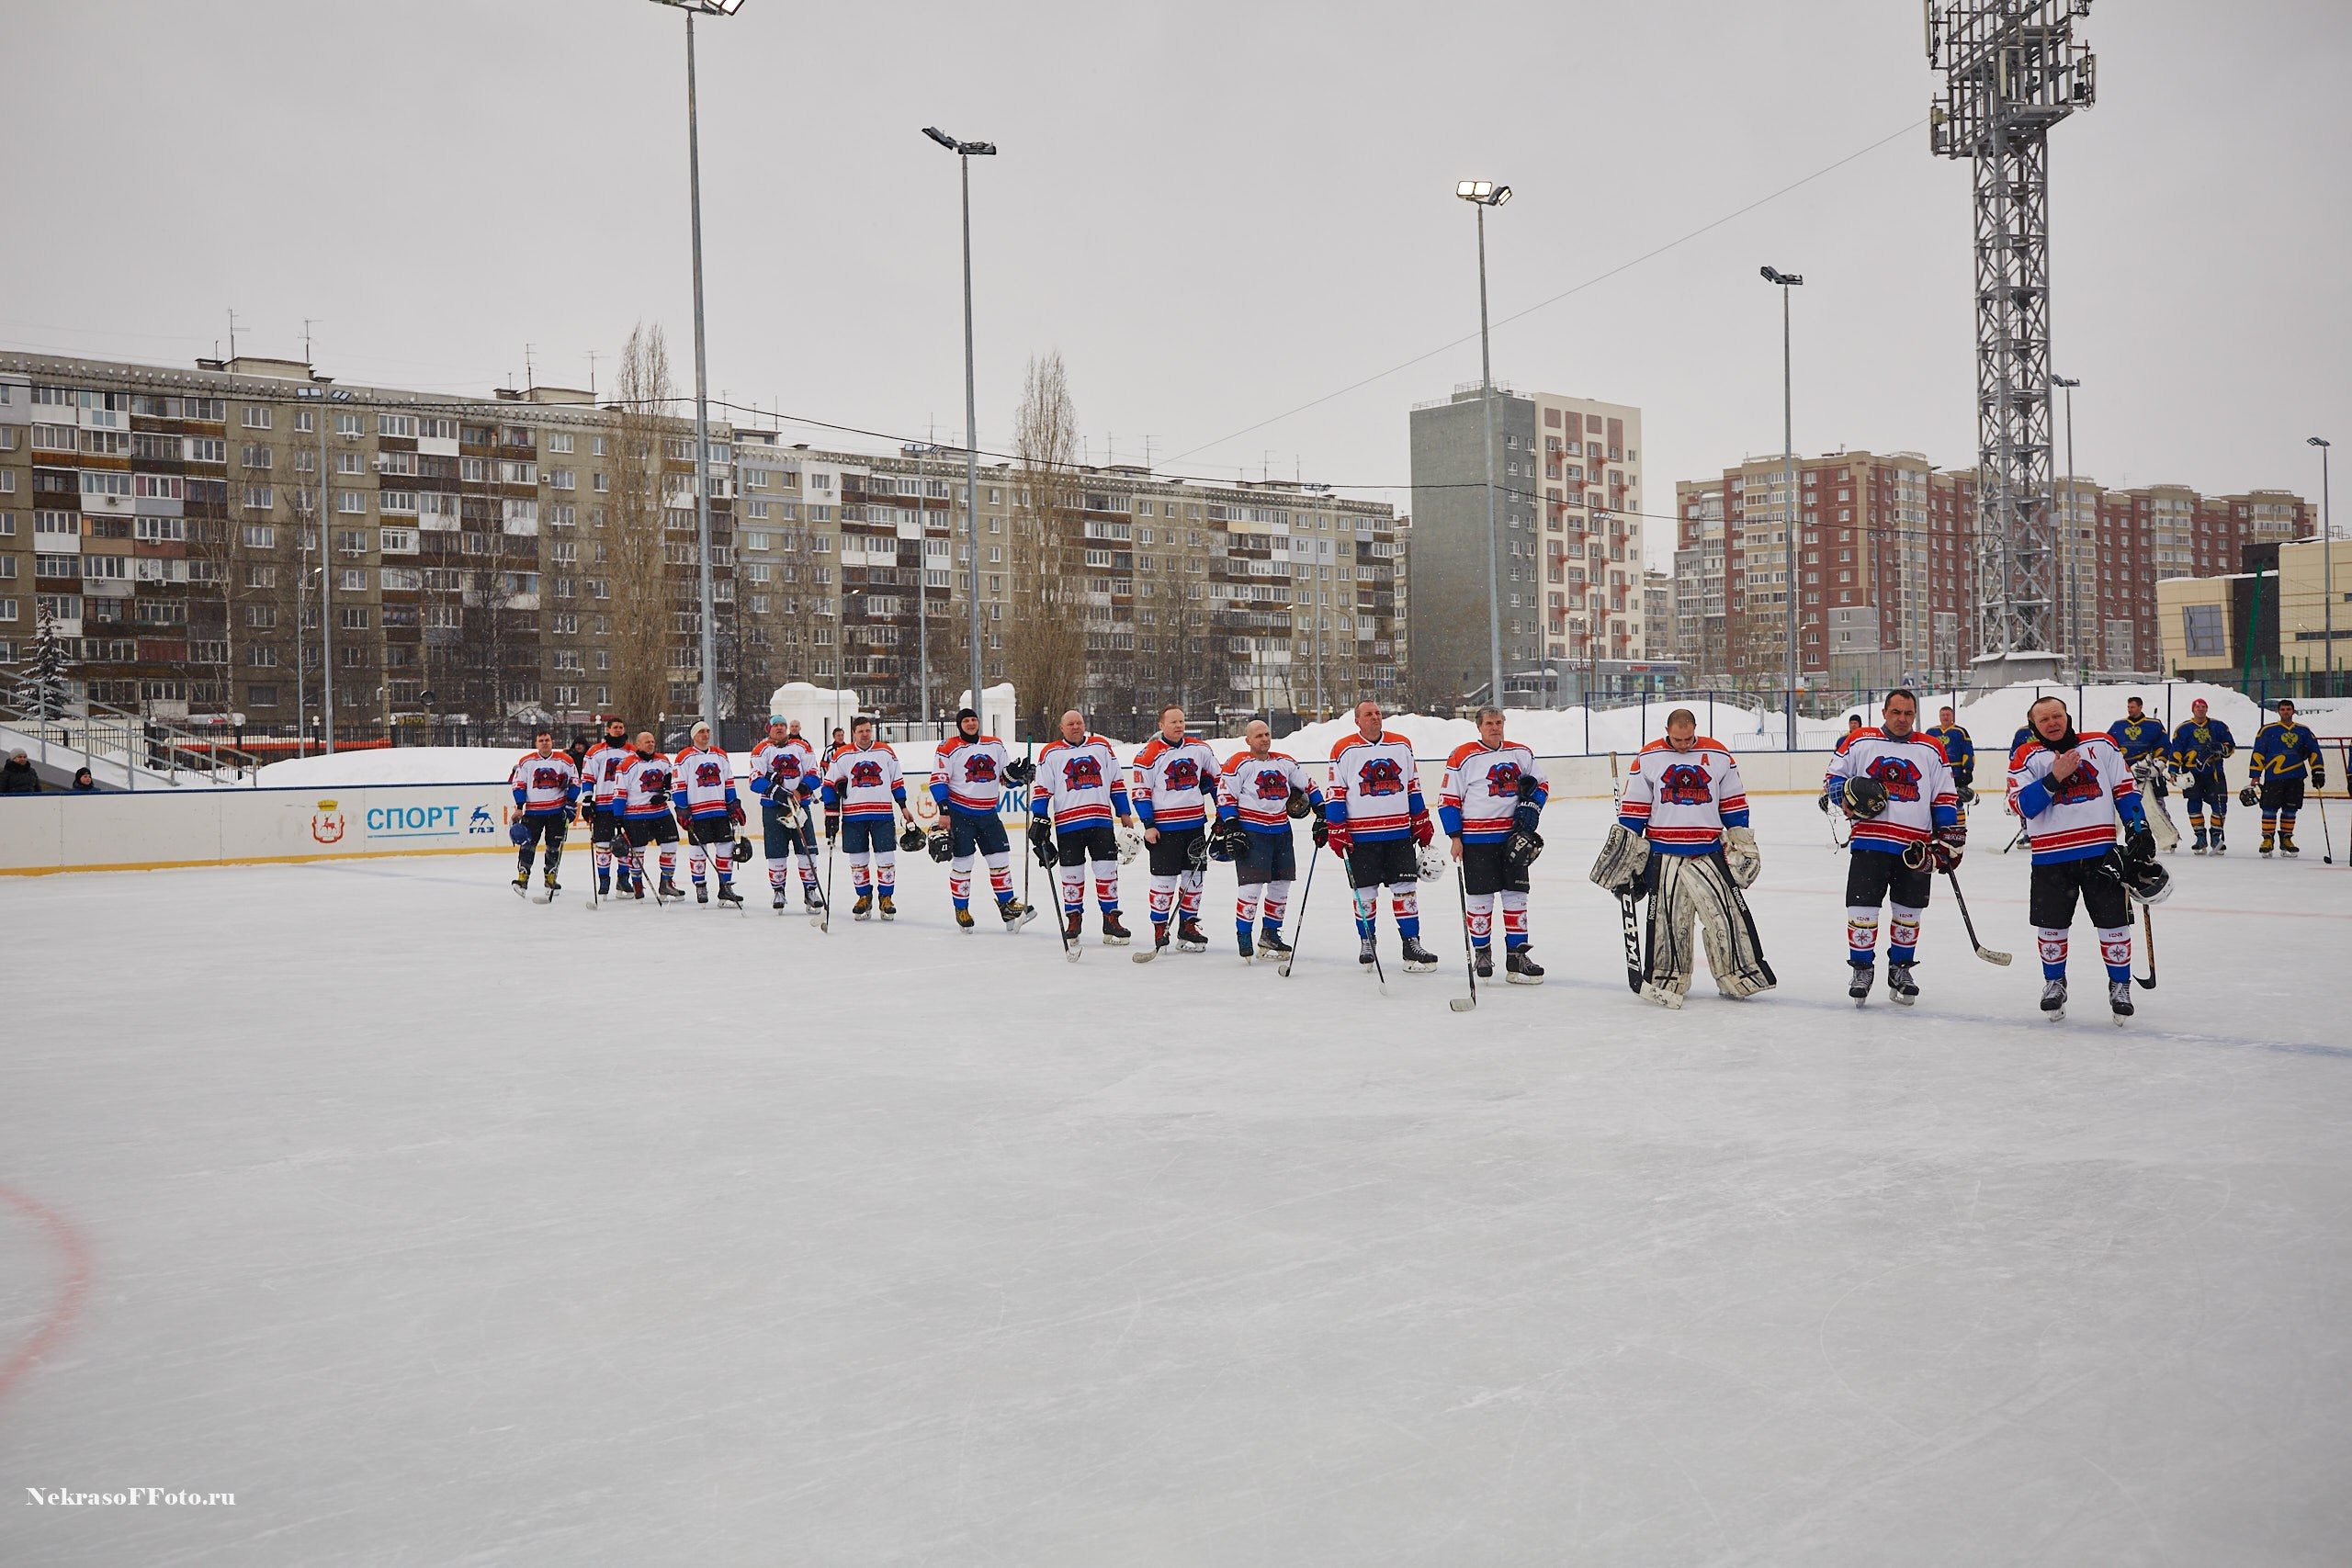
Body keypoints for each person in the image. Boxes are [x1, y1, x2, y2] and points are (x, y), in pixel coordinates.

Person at [2007, 694, 2156, 1021]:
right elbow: (2022, 805)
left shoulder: (2101, 745)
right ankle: (2054, 983)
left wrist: (2138, 826)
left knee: (2113, 923)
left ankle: (2120, 986)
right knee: (2051, 926)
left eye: (2057, 715)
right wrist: (2053, 777)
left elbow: (2124, 788)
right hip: (2049, 858)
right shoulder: (2026, 756)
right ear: (2034, 725)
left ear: (2067, 715)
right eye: (2044, 719)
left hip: (2100, 854)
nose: (2052, 723)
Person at [1611, 706, 1772, 1006]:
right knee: (1668, 923)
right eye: (1677, 739)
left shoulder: (1719, 755)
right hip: (1664, 853)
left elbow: (1733, 801)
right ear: (1667, 731)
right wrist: (1627, 857)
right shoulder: (1648, 758)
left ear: (1694, 729)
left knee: (1727, 917)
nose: (1683, 745)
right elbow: (1634, 810)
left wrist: (1740, 836)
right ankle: (1667, 979)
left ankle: (1738, 976)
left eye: (1687, 739)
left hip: (1709, 851)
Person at [1823, 689, 1962, 1006]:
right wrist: (1842, 797)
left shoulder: (1931, 748)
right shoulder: (1860, 740)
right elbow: (1833, 778)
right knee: (1862, 907)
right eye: (1896, 712)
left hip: (1914, 846)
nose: (1902, 719)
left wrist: (1949, 836)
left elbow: (1943, 795)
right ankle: (1861, 968)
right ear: (1884, 712)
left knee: (1909, 909)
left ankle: (1901, 968)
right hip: (1870, 841)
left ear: (1915, 715)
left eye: (1908, 713)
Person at [1326, 698, 1440, 973]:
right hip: (1361, 837)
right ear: (1357, 720)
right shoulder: (1344, 748)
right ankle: (1367, 940)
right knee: (1364, 893)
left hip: (1398, 833)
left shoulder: (1401, 744)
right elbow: (1335, 790)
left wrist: (1421, 819)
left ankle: (1411, 942)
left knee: (1406, 890)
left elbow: (1412, 785)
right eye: (1368, 714)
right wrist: (1336, 827)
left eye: (1377, 713)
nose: (1375, 717)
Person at [1438, 705, 1550, 985]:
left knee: (1516, 897)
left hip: (1513, 838)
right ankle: (1483, 953)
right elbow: (1448, 799)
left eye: (1499, 722)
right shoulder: (1463, 755)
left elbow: (1542, 784)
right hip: (1476, 840)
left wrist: (1532, 805)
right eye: (1489, 723)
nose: (1495, 727)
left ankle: (1517, 956)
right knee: (1480, 899)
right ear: (1479, 726)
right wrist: (1455, 837)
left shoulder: (1521, 753)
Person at [1216, 719, 1321, 961]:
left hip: (1281, 833)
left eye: (1267, 734)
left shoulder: (1285, 761)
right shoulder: (1238, 762)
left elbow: (1309, 785)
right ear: (1248, 740)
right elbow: (1225, 795)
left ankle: (1270, 934)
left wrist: (1322, 810)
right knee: (1251, 887)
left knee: (1281, 885)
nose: (1264, 739)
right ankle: (1244, 935)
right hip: (1252, 832)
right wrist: (1232, 827)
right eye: (1259, 736)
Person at [1030, 709, 1136, 947]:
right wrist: (1039, 817)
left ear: (1084, 724)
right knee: (1072, 874)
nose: (1075, 727)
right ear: (1062, 727)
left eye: (1079, 722)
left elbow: (1116, 782)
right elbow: (1042, 788)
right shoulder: (1051, 752)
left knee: (1107, 871)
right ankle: (1073, 918)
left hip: (1101, 822)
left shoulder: (1101, 747)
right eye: (1070, 724)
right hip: (1069, 825)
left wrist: (1124, 812)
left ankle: (1111, 919)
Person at [1129, 704, 1221, 955]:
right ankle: (1160, 928)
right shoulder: (1149, 754)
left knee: (1195, 878)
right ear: (1161, 726)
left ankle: (1187, 926)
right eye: (1173, 722)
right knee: (1164, 881)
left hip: (1194, 827)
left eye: (1182, 721)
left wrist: (1223, 812)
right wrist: (1149, 825)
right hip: (1164, 830)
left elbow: (1218, 780)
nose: (1179, 726)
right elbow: (1140, 793)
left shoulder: (1200, 749)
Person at [928, 706, 1029, 931]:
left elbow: (1006, 778)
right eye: (966, 721)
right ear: (959, 725)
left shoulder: (994, 744)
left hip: (988, 814)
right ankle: (961, 908)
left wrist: (1019, 776)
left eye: (974, 719)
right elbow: (938, 781)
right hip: (960, 813)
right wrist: (944, 811)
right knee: (964, 862)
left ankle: (1007, 905)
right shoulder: (948, 747)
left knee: (1000, 859)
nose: (971, 724)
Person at [820, 716, 914, 919]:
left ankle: (886, 898)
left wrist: (903, 806)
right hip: (853, 816)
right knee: (858, 859)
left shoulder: (885, 751)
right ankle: (864, 896)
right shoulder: (842, 754)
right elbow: (828, 784)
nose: (865, 734)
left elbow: (897, 781)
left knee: (886, 857)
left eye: (868, 731)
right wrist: (832, 815)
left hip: (882, 815)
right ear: (853, 732)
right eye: (861, 731)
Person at [749, 715, 823, 910]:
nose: (780, 728)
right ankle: (778, 891)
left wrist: (802, 789)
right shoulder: (761, 750)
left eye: (783, 725)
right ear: (769, 729)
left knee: (807, 850)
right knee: (776, 852)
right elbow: (755, 780)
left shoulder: (802, 747)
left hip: (800, 807)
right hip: (773, 808)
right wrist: (779, 794)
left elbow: (815, 773)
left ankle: (810, 890)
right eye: (776, 725)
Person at [671, 721, 744, 907]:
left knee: (726, 847)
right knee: (698, 849)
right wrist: (682, 809)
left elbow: (728, 782)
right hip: (697, 812)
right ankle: (700, 885)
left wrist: (734, 805)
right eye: (701, 732)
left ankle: (725, 887)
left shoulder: (720, 754)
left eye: (707, 731)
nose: (705, 734)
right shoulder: (684, 757)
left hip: (719, 810)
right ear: (693, 735)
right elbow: (679, 786)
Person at [507, 725, 580, 896]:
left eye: (547, 740)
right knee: (528, 845)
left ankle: (550, 878)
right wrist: (519, 807)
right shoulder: (527, 761)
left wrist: (570, 803)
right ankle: (522, 879)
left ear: (552, 742)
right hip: (533, 812)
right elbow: (519, 784)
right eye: (541, 741)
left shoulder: (565, 760)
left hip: (557, 812)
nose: (544, 743)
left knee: (554, 846)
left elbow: (575, 782)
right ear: (536, 743)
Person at [2248, 698, 2324, 857]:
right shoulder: (2267, 731)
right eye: (2282, 709)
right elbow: (2258, 752)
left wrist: (2318, 771)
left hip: (2296, 777)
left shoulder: (2303, 731)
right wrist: (2255, 775)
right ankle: (2267, 839)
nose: (2286, 712)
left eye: (2288, 709)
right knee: (2269, 809)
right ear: (2278, 711)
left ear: (2293, 711)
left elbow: (2314, 751)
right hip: (2273, 777)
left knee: (2290, 809)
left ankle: (2287, 839)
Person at [616, 731, 682, 901]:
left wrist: (666, 796)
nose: (651, 744)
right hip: (636, 814)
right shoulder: (627, 764)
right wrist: (618, 817)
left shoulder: (663, 760)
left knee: (671, 844)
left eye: (653, 741)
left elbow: (672, 784)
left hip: (660, 812)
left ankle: (666, 883)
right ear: (638, 744)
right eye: (647, 742)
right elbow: (619, 792)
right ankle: (637, 883)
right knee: (637, 850)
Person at [2169, 697, 2237, 855]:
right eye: (2197, 706)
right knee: (2194, 804)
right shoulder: (2183, 728)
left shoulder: (2218, 726)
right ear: (2193, 709)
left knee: (2220, 805)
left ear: (2207, 709)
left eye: (2203, 706)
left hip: (2214, 773)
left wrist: (2220, 747)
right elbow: (2176, 751)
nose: (2200, 709)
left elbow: (2230, 746)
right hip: (2192, 775)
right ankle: (2200, 837)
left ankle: (2215, 836)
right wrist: (2173, 770)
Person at [580, 716, 638, 897]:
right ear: (607, 729)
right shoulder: (595, 752)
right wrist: (587, 801)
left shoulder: (633, 752)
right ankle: (604, 880)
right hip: (604, 804)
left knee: (624, 843)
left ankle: (623, 879)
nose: (619, 730)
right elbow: (588, 778)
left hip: (627, 805)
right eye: (615, 727)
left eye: (621, 727)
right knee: (603, 844)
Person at [1924, 705, 1975, 809]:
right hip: (1936, 771)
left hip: (1955, 771)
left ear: (1952, 716)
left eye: (1948, 715)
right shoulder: (1931, 732)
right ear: (1939, 717)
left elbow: (1968, 752)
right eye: (1943, 715)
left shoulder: (1960, 732)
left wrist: (1967, 769)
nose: (1945, 717)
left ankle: (1959, 824)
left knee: (1957, 798)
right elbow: (1925, 752)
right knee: (1935, 798)